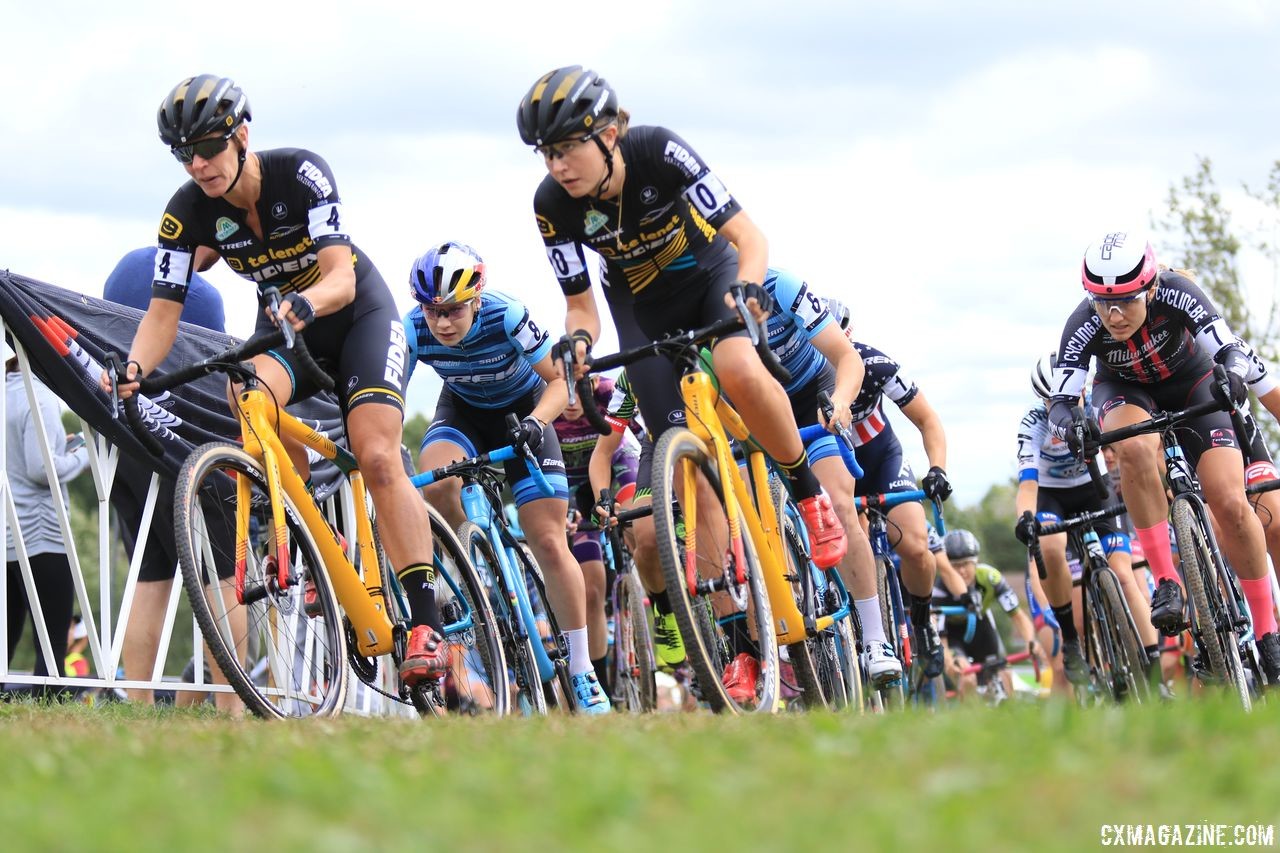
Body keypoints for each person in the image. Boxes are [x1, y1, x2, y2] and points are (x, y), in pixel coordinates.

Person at [98, 75, 448, 691]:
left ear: (242, 135)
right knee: (247, 395)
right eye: (185, 154)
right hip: (290, 326)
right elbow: (162, 312)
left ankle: (425, 622)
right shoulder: (187, 213)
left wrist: (308, 301)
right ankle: (315, 532)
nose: (199, 164)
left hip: (355, 313)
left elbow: (341, 276)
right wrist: (132, 372)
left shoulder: (301, 174)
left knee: (375, 452)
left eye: (209, 146)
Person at [516, 65, 848, 580]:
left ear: (609, 135)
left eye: (567, 148)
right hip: (640, 311)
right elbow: (581, 306)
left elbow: (749, 238)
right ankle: (736, 638)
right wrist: (577, 342)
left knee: (737, 364)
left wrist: (750, 286)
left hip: (709, 277)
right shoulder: (552, 204)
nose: (557, 166)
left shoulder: (658, 150)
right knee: (685, 469)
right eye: (547, 153)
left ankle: (809, 494)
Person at [1048, 229, 1280, 682]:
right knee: (1133, 446)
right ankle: (1167, 581)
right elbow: (1060, 401)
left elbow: (1233, 352)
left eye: (1126, 301)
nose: (1113, 315)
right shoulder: (1083, 323)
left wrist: (1231, 376)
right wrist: (1072, 424)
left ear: (1150, 288)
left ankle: (1268, 633)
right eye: (1101, 302)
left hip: (1191, 384)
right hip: (1126, 392)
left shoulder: (1179, 292)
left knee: (1231, 504)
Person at [405, 240, 610, 714]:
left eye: (453, 311)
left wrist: (538, 423)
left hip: (525, 413)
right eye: (433, 311)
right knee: (431, 483)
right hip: (463, 413)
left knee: (549, 540)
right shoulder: (415, 327)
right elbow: (389, 395)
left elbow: (560, 380)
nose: (441, 322)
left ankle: (581, 671)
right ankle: (465, 566)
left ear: (477, 298)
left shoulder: (507, 314)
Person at [101, 247, 225, 704]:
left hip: (122, 438)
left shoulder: (125, 270)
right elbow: (215, 371)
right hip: (182, 443)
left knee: (148, 575)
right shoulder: (203, 295)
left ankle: (139, 702)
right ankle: (234, 706)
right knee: (221, 577)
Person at [824, 298, 954, 679]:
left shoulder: (875, 364)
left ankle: (922, 621)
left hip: (883, 459)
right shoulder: (798, 371)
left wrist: (937, 469)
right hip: (837, 465)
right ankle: (862, 631)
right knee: (851, 537)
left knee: (915, 545)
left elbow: (927, 419)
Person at [1015, 351, 1159, 688]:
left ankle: (1154, 671)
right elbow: (1027, 484)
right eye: (1053, 402)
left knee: (1124, 574)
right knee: (1050, 547)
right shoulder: (1033, 423)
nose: (1062, 405)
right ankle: (1069, 637)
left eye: (1070, 395)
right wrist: (1025, 517)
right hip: (1052, 495)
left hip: (1095, 487)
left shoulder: (1098, 402)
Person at [6, 341, 90, 698]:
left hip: (7, 534)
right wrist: (84, 453)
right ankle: (48, 706)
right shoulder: (38, 397)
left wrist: (60, 446)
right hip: (42, 533)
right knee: (53, 644)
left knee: (5, 636)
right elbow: (42, 470)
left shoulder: (6, 391)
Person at [554, 373, 642, 696]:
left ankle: (641, 563)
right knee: (591, 589)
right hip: (574, 487)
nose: (574, 403)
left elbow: (643, 441)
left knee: (635, 517)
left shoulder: (608, 392)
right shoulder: (542, 399)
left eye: (580, 392)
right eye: (566, 393)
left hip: (616, 464)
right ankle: (600, 686)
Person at [936, 529, 1044, 697]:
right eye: (955, 566)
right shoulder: (940, 589)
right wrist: (949, 660)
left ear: (976, 561)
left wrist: (1031, 640)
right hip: (953, 636)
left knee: (1005, 675)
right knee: (967, 678)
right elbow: (940, 635)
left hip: (982, 629)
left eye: (966, 563)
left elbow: (1017, 615)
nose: (961, 571)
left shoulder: (991, 578)